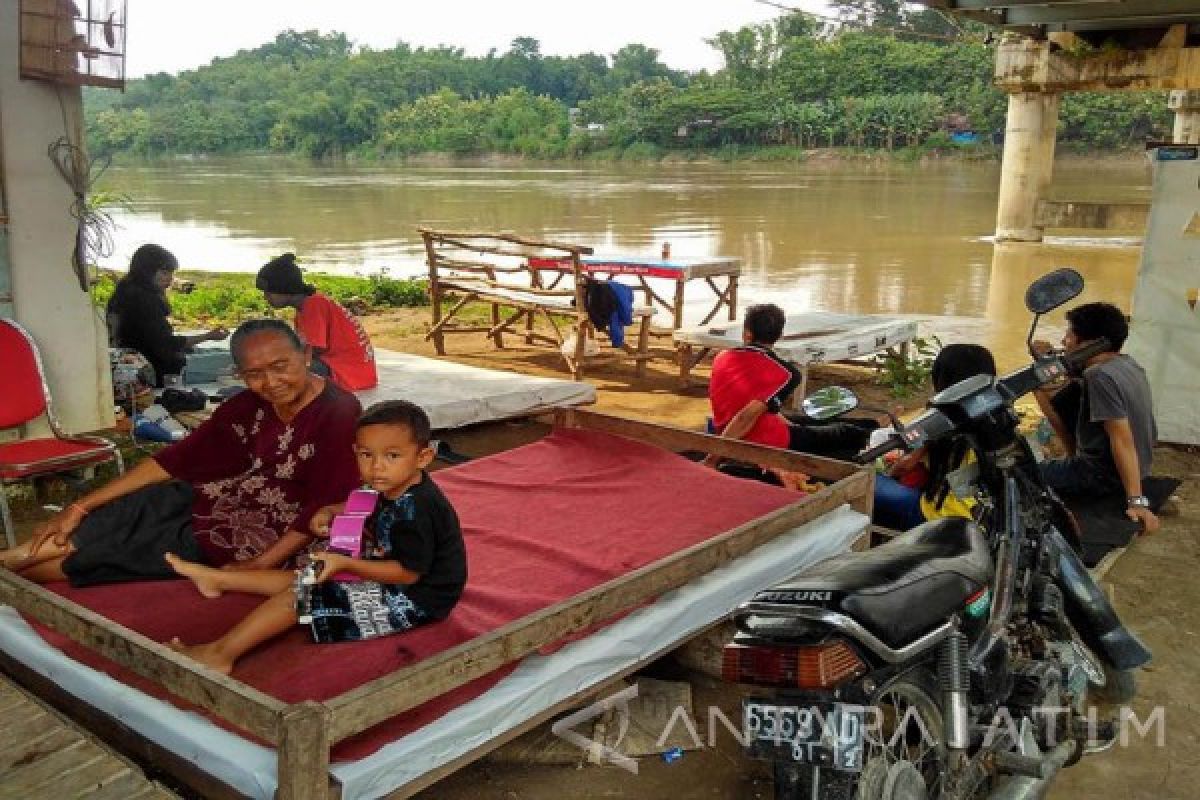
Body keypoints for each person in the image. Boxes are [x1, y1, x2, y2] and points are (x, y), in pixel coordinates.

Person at [1, 320, 362, 583]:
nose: (270, 383)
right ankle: (12, 558)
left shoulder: (338, 413)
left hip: (258, 530)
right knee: (132, 508)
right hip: (214, 495)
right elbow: (177, 459)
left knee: (112, 554)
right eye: (254, 374)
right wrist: (79, 507)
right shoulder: (248, 404)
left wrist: (261, 564)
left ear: (306, 354)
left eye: (280, 367)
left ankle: (20, 566)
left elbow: (325, 505)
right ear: (240, 374)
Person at [162, 399, 466, 675]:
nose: (376, 467)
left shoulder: (419, 509)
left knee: (304, 592)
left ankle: (220, 654)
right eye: (366, 454)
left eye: (392, 455)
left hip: (419, 599)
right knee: (308, 575)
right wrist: (331, 511)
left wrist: (345, 565)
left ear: (424, 457)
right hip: (396, 575)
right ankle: (219, 580)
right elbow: (370, 502)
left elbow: (407, 574)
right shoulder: (395, 482)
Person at [1032, 302, 1159, 532]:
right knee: (1056, 392)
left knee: (1022, 475)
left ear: (1092, 343)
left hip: (1100, 476)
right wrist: (1048, 360)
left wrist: (1136, 502)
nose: (1063, 342)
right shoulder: (1127, 364)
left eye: (1070, 335)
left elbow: (1122, 439)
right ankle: (1071, 462)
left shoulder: (1099, 376)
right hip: (1139, 467)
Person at [702, 303, 874, 467]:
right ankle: (882, 442)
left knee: (814, 422)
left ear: (747, 333)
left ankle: (874, 426)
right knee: (845, 431)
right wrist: (712, 459)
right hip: (765, 440)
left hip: (730, 428)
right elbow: (745, 416)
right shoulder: (787, 373)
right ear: (780, 335)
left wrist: (795, 427)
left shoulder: (722, 357)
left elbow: (758, 408)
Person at [871, 344, 997, 531]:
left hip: (937, 518)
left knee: (865, 481)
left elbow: (906, 464)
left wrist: (888, 472)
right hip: (979, 515)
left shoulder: (938, 418)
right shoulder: (996, 412)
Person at [106, 243, 228, 386]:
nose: (170, 279)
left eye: (171, 273)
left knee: (223, 352)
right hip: (159, 369)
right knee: (235, 359)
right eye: (164, 273)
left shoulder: (127, 290)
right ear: (147, 272)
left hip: (145, 359)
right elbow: (167, 344)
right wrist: (207, 336)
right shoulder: (144, 302)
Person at [255, 253, 378, 391]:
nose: (265, 297)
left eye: (268, 292)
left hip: (348, 373)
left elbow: (314, 349)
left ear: (284, 288)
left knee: (282, 371)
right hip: (351, 370)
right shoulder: (307, 306)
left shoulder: (314, 305)